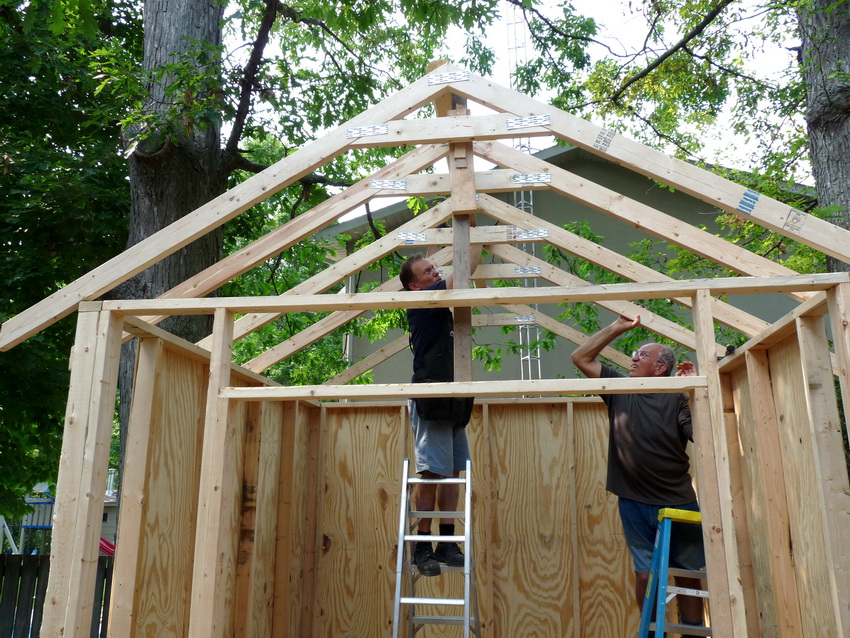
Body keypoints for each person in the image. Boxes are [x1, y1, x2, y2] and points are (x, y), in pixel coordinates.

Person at [570, 315, 706, 631]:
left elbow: (703, 435)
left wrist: (696, 392)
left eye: (643, 355)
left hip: (676, 501)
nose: (634, 358)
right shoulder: (620, 390)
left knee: (687, 572)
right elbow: (580, 357)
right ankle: (650, 629)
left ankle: (693, 633)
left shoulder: (676, 398)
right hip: (633, 502)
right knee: (645, 574)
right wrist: (616, 327)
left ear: (660, 368)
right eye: (636, 354)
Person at [400, 252, 479, 577]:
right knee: (432, 472)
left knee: (453, 471)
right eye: (427, 272)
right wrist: (473, 236)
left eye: (435, 268)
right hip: (431, 396)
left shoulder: (443, 310)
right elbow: (465, 268)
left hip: (453, 398)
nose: (435, 273)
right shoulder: (422, 305)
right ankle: (422, 545)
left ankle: (447, 542)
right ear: (414, 286)